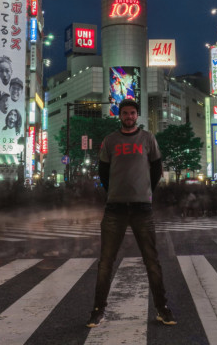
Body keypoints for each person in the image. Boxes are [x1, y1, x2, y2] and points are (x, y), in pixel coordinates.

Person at [87, 98, 175, 328]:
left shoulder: (148, 139)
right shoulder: (110, 140)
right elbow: (103, 173)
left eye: (132, 113)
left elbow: (156, 168)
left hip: (142, 208)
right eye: (125, 113)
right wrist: (114, 192)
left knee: (152, 261)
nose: (128, 117)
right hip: (114, 208)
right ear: (120, 116)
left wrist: (145, 191)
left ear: (138, 115)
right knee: (106, 261)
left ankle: (162, 308)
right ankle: (98, 310)